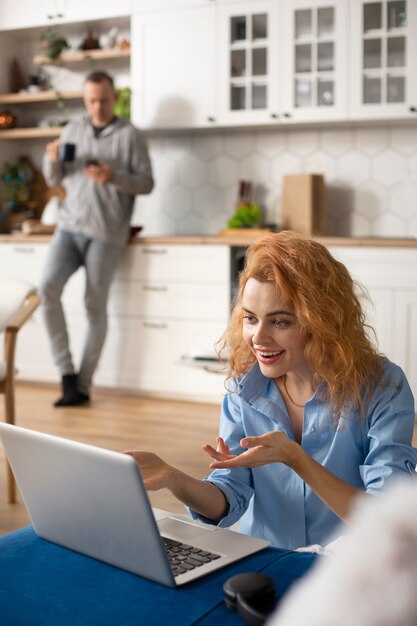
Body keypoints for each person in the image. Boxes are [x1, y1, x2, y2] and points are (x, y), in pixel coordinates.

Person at [126, 231, 417, 549]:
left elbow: (389, 520)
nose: (258, 337)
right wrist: (173, 478)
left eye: (280, 322)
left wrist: (297, 459)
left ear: (322, 321)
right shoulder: (244, 388)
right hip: (265, 563)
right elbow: (229, 496)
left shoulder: (383, 386)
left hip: (345, 571)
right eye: (251, 318)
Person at [40, 70, 154, 407]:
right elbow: (54, 177)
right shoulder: (73, 129)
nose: (98, 106)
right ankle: (66, 374)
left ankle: (83, 386)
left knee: (94, 305)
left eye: (103, 99)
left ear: (114, 97)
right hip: (69, 227)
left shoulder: (130, 135)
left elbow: (146, 183)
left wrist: (113, 176)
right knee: (47, 289)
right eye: (91, 100)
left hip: (107, 233)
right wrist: (50, 160)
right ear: (85, 100)